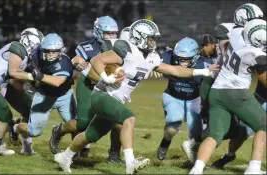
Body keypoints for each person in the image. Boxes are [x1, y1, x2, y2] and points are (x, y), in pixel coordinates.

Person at [53, 19, 219, 174]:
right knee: (129, 119)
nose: (153, 42)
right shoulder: (126, 50)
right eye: (150, 38)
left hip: (117, 98)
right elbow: (97, 60)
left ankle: (65, 156)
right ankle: (130, 163)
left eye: (154, 39)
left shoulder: (152, 57)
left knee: (90, 135)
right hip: (103, 95)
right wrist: (105, 77)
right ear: (139, 37)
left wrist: (202, 71)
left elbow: (174, 70)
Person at [189, 19, 266, 175]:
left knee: (215, 135)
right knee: (263, 126)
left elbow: (222, 29)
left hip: (217, 91)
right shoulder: (257, 54)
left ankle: (196, 170)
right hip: (237, 92)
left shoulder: (237, 35)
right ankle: (253, 169)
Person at [49, 16, 123, 162]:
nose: (112, 36)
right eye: (109, 33)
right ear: (98, 32)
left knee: (119, 121)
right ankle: (59, 130)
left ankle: (114, 155)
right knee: (82, 123)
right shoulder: (88, 47)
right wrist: (77, 61)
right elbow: (76, 59)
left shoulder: (120, 47)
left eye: (114, 33)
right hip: (89, 85)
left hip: (109, 88)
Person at [13, 33, 76, 155]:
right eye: (48, 51)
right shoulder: (35, 54)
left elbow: (57, 82)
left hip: (64, 96)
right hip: (43, 96)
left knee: (76, 124)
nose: (51, 54)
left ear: (61, 50)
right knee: (33, 131)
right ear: (42, 49)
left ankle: (71, 151)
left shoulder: (64, 62)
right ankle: (15, 128)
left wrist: (39, 77)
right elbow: (18, 73)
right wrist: (29, 82)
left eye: (54, 51)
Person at [0, 28, 44, 155]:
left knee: (5, 115)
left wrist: (32, 87)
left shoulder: (23, 58)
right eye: (37, 44)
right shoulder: (18, 47)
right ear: (30, 40)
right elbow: (13, 72)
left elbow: (13, 81)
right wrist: (32, 77)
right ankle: (8, 134)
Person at [157, 37, 204, 161]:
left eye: (185, 60)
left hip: (194, 99)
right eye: (179, 59)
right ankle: (164, 144)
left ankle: (194, 156)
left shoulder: (203, 63)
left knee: (197, 132)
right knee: (173, 125)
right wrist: (154, 66)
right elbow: (150, 59)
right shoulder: (168, 57)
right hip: (173, 96)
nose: (181, 63)